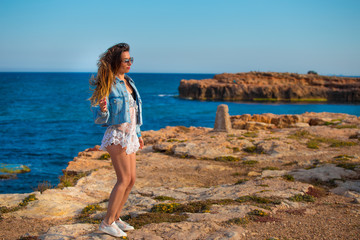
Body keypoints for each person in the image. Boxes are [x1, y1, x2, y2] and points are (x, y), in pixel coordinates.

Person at [89, 43, 144, 237]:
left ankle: (117, 218)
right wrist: (103, 110)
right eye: (126, 60)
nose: (129, 63)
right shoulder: (109, 83)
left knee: (131, 180)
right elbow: (100, 117)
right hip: (117, 135)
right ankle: (107, 222)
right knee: (123, 179)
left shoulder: (129, 81)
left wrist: (138, 133)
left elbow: (134, 111)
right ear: (116, 62)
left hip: (129, 135)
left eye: (131, 60)